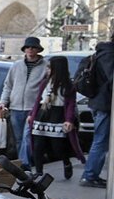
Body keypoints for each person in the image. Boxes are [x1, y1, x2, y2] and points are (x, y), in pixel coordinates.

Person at [27, 55, 85, 179]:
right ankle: (38, 171)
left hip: (58, 116)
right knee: (38, 145)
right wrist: (32, 114)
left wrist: (69, 120)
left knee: (58, 147)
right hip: (42, 115)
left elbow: (70, 104)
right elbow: (38, 100)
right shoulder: (45, 83)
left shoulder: (68, 86)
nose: (47, 70)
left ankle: (66, 162)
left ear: (57, 68)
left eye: (49, 67)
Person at [0, 36, 49, 164]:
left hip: (33, 108)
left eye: (33, 47)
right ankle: (23, 161)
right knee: (19, 138)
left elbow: (48, 87)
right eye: (28, 47)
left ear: (38, 50)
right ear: (24, 49)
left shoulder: (46, 66)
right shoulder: (16, 65)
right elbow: (8, 85)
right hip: (16, 107)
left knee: (27, 137)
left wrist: (43, 103)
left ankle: (24, 164)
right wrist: (3, 102)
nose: (30, 50)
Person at [81, 33, 114, 188]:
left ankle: (91, 174)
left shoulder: (104, 52)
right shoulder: (109, 54)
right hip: (104, 104)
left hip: (101, 103)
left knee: (101, 140)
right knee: (101, 141)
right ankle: (90, 175)